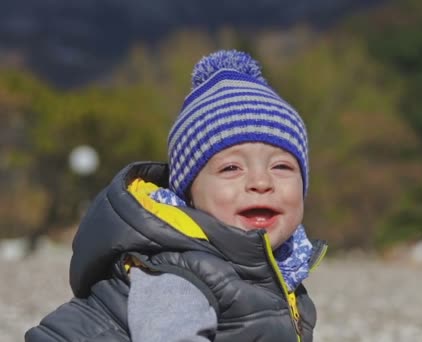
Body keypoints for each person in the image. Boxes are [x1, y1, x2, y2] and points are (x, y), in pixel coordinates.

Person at [25, 50, 328, 342]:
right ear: (189, 193)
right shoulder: (178, 272)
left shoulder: (281, 271)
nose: (261, 181)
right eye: (232, 167)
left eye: (282, 166)